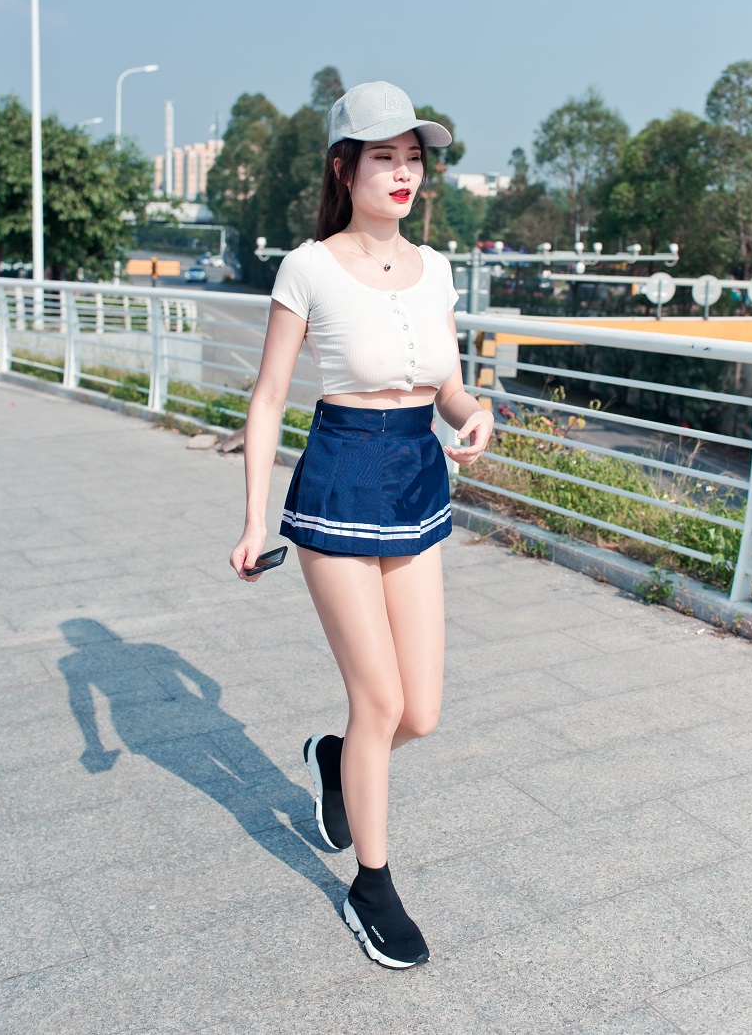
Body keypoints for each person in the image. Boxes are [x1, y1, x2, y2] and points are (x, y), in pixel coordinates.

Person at [230, 81, 493, 969]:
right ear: (345, 168)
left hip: (417, 481)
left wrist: (473, 414)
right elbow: (268, 398)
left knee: (422, 710)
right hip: (339, 481)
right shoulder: (308, 267)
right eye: (386, 156)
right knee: (379, 698)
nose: (404, 172)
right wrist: (253, 520)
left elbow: (446, 383)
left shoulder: (437, 268)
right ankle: (370, 888)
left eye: (414, 157)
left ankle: (337, 758)